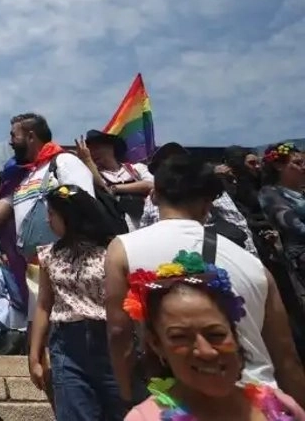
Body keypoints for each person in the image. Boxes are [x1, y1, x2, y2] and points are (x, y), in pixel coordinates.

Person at [104, 144, 305, 408]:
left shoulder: (122, 249)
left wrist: (128, 393)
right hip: (258, 404)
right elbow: (286, 356)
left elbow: (119, 331)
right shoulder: (253, 265)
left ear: (153, 196)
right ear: (209, 203)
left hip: (178, 405)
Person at [122, 252, 305, 421]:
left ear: (234, 335)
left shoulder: (280, 407)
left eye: (216, 334)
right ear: (157, 344)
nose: (206, 351)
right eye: (180, 337)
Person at [0, 113, 95, 309]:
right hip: (36, 269)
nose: (10, 142)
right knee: (41, 326)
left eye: (14, 136)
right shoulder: (23, 177)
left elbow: (86, 207)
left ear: (31, 136)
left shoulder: (64, 163)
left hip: (70, 265)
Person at [28, 185, 125, 420]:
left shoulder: (113, 249)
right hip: (67, 343)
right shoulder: (49, 255)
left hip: (111, 340)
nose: (48, 220)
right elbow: (43, 304)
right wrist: (34, 354)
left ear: (69, 217)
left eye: (52, 214)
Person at [259, 142, 305, 295]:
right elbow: (294, 226)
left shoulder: (300, 194)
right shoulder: (270, 194)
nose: (303, 167)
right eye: (298, 163)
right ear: (279, 166)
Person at [84, 130, 151, 231]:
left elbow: (151, 185)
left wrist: (116, 188)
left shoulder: (136, 168)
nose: (93, 153)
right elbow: (103, 189)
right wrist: (88, 162)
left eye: (97, 148)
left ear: (111, 147)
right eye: (90, 150)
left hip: (146, 228)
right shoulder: (94, 177)